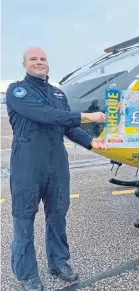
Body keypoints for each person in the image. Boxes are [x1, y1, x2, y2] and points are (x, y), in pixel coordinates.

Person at [6, 47, 108, 291]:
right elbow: (45, 115)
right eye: (33, 59)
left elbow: (67, 125)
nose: (39, 63)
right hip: (27, 166)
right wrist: (87, 116)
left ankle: (59, 262)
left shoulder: (58, 94)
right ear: (24, 64)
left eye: (43, 59)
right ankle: (26, 273)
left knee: (58, 215)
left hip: (57, 165)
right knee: (24, 218)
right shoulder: (17, 91)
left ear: (48, 64)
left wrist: (90, 141)